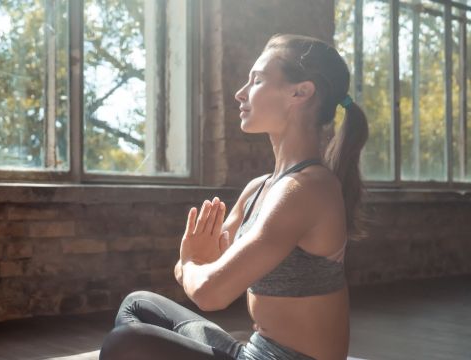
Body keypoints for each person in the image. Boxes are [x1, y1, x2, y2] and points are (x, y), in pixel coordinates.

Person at [99, 34, 369, 360]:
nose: (240, 93)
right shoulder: (259, 189)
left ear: (300, 91)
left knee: (126, 344)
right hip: (253, 351)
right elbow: (208, 271)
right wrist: (197, 265)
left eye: (256, 80)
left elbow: (210, 292)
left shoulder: (308, 189)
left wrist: (190, 264)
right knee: (138, 304)